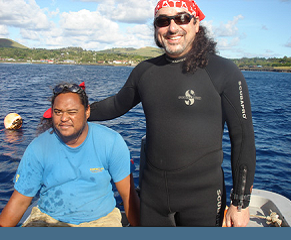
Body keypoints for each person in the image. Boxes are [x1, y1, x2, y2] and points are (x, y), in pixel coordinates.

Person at [88, 0, 256, 227]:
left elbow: (243, 140)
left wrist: (240, 203)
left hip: (204, 199)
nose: (173, 27)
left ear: (196, 24)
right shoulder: (145, 71)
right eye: (163, 21)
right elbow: (117, 105)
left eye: (182, 18)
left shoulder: (224, 71)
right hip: (153, 197)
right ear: (156, 28)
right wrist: (76, 112)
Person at [0, 83, 140, 227]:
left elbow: (128, 195)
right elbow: (20, 201)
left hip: (101, 220)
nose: (64, 118)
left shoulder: (111, 142)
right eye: (58, 112)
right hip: (48, 219)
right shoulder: (38, 148)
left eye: (72, 112)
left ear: (87, 112)